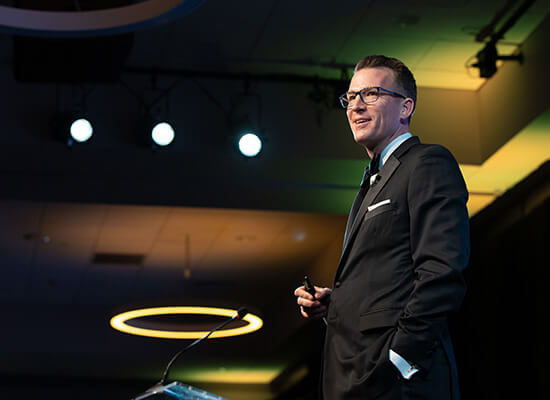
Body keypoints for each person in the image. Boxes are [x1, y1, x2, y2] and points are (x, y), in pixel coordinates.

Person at [294, 55, 470, 399]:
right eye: (350, 97)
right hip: (355, 378)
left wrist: (399, 360)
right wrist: (336, 303)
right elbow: (388, 277)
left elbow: (442, 272)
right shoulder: (373, 181)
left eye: (371, 94)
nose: (356, 106)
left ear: (405, 107)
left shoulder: (427, 163)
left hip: (399, 383)